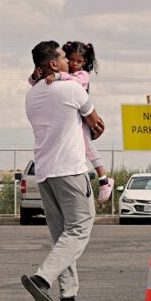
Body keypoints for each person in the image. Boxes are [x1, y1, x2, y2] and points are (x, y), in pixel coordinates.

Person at [21, 40, 105, 301]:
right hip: (70, 169)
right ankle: (42, 278)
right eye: (63, 58)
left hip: (44, 173)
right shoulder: (72, 88)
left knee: (62, 236)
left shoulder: (31, 96)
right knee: (80, 227)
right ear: (53, 64)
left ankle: (68, 294)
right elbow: (97, 124)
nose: (69, 61)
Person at [29, 41, 114, 203]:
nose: (72, 63)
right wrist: (35, 75)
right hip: (66, 162)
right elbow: (38, 83)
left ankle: (103, 179)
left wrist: (58, 76)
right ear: (55, 63)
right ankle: (103, 180)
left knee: (88, 147)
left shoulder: (78, 78)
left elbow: (93, 119)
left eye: (79, 61)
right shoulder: (54, 84)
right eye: (69, 59)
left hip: (78, 121)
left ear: (85, 62)